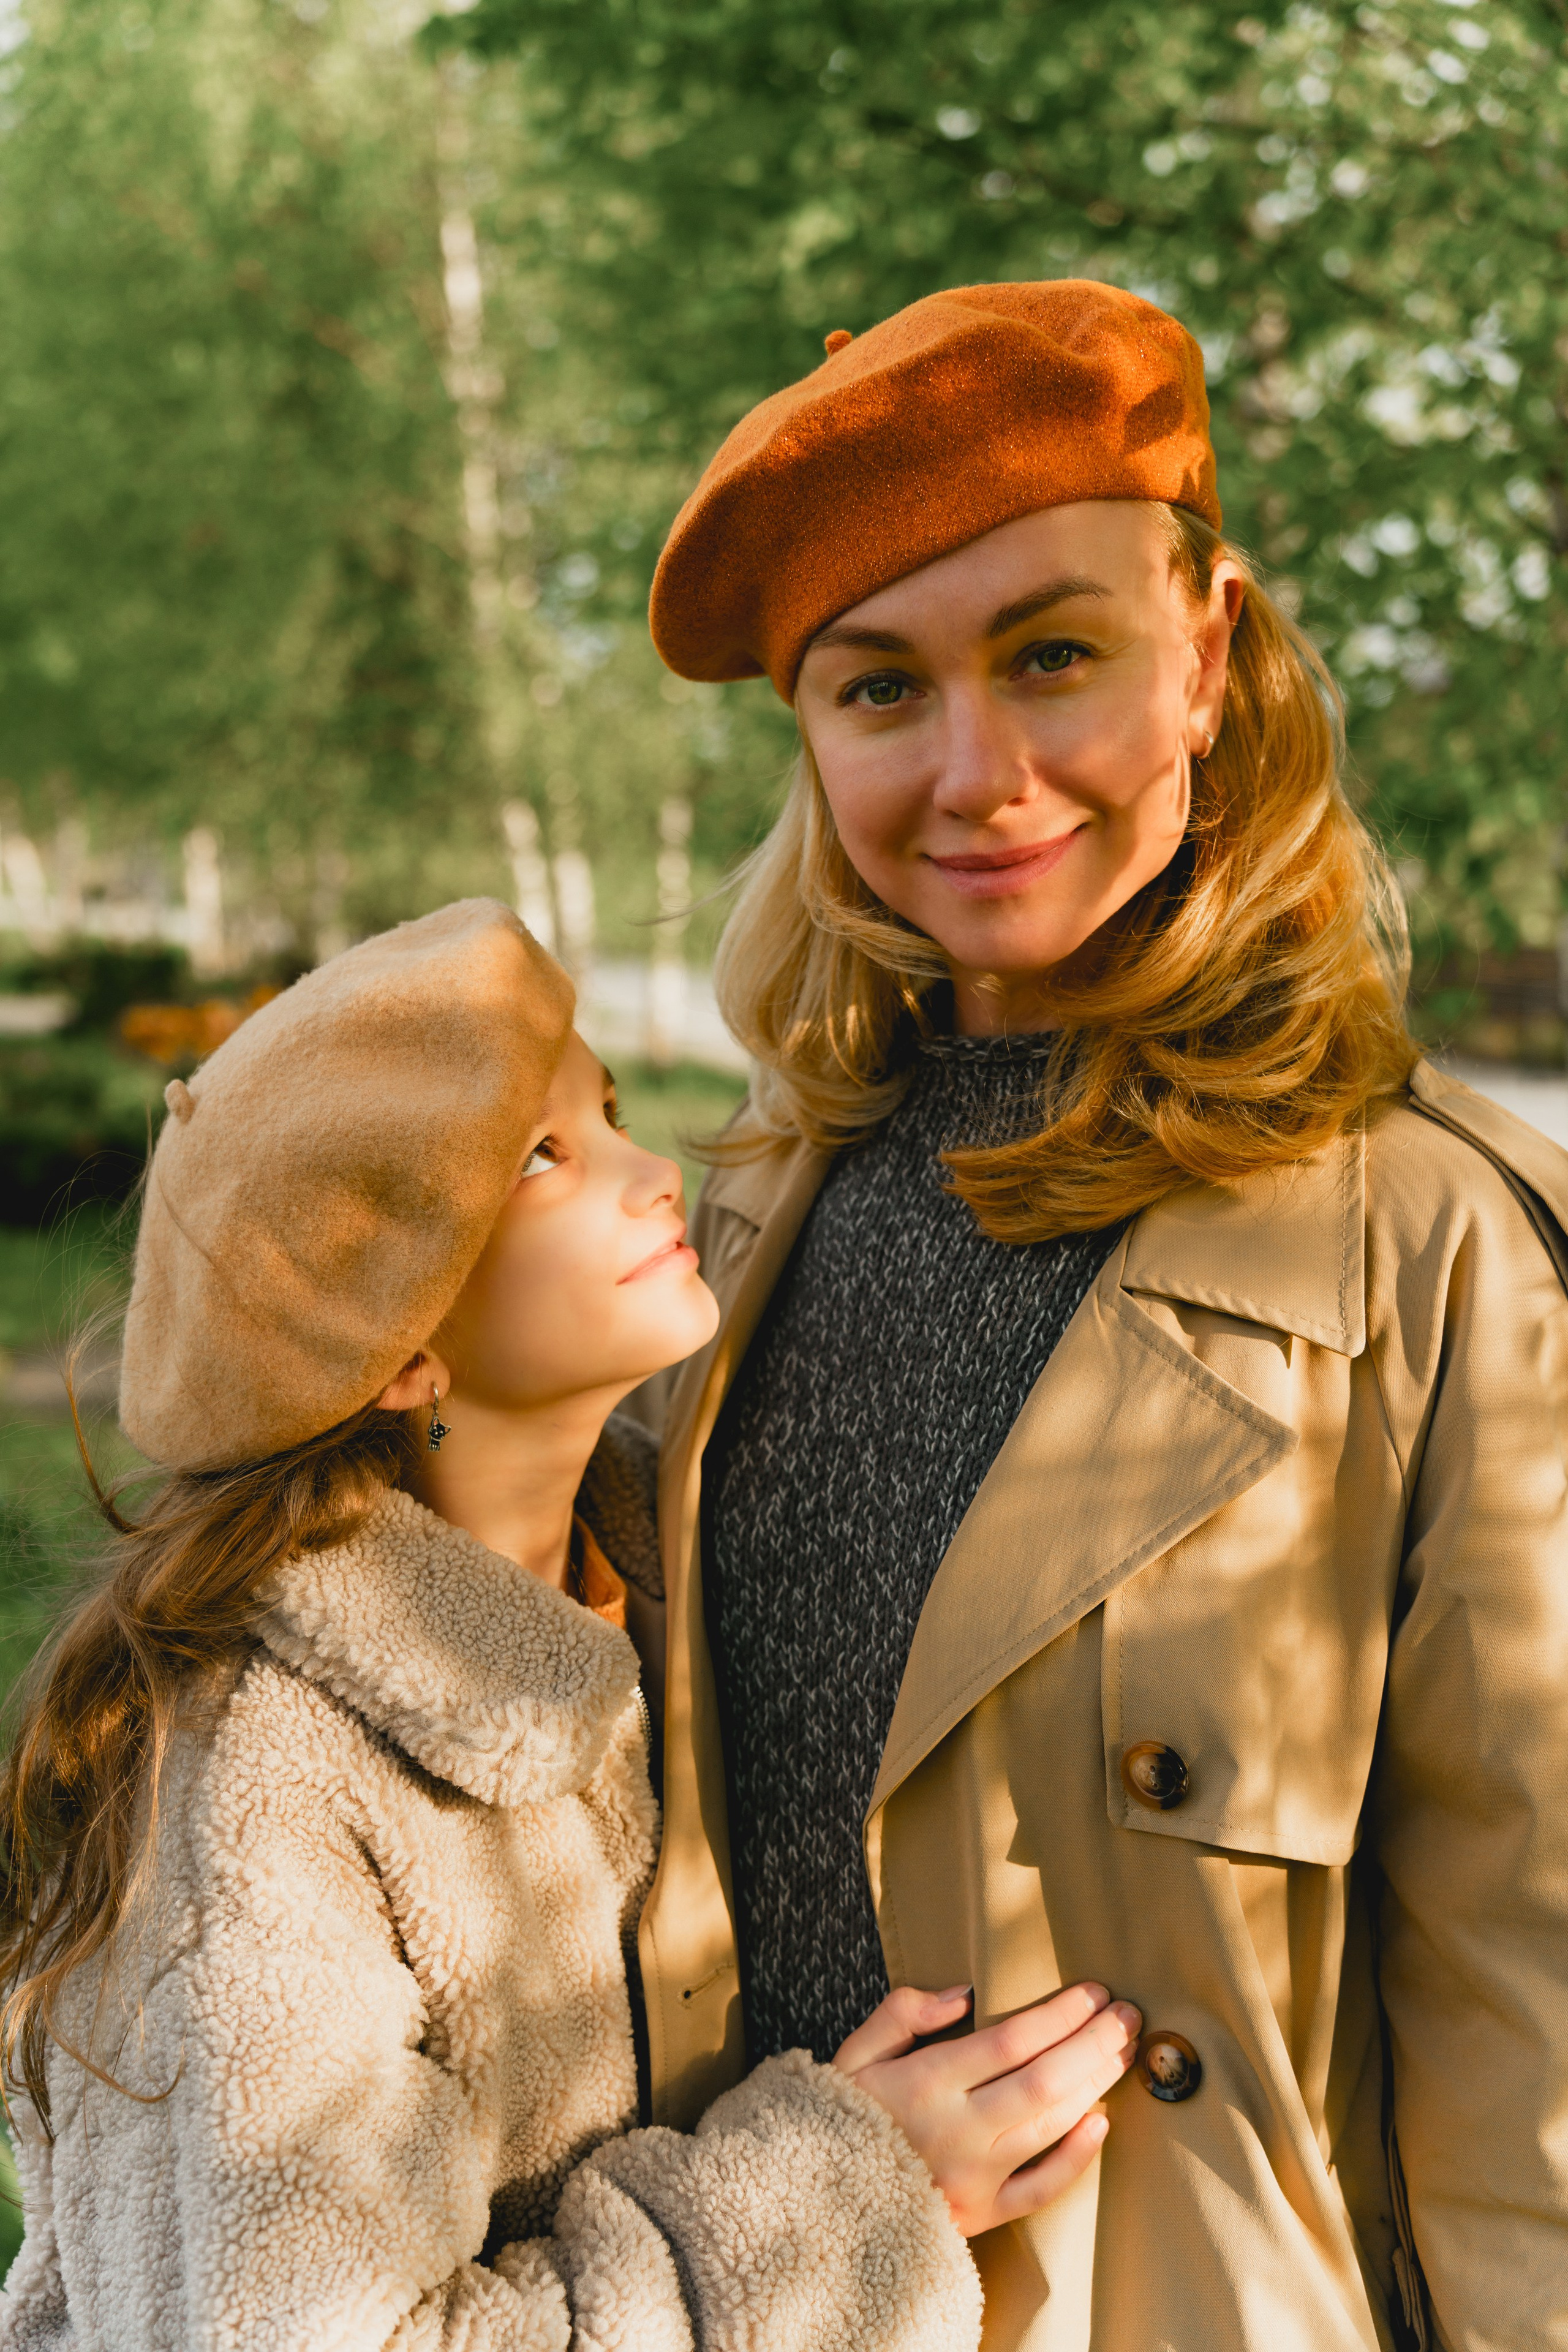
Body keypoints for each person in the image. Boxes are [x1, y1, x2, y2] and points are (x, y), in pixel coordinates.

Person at [635, 282, 1568, 2350]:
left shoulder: (1438, 1252)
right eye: (879, 691)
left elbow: (1544, 2034)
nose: (982, 777)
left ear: (1211, 647)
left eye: (1054, 657)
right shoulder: (729, 1222)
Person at [0, 899, 1141, 2351]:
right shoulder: (251, 1792)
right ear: (398, 1344)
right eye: (545, 1158)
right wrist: (847, 2199)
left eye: (602, 1112)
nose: (652, 1170)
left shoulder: (651, 1573)